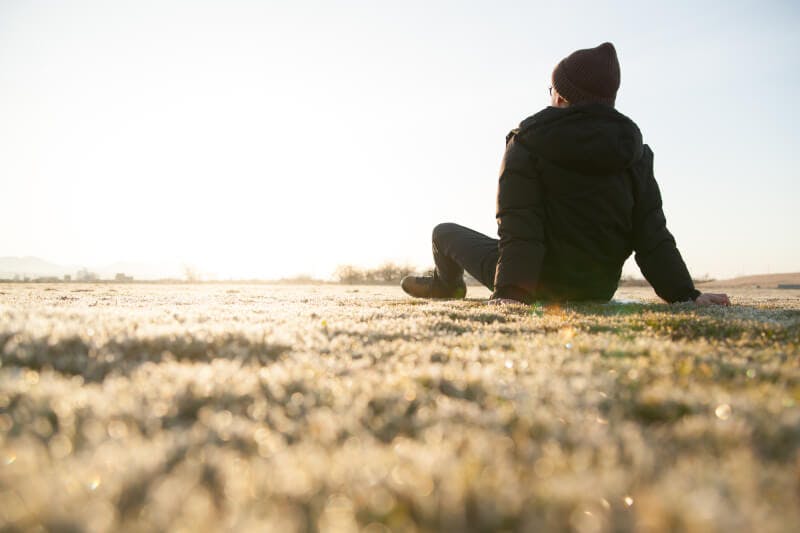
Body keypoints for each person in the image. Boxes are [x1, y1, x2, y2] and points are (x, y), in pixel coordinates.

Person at [401, 42, 730, 307]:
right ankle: (452, 285)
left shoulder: (527, 142)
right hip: (597, 288)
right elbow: (652, 235)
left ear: (560, 95)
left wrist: (511, 293)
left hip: (536, 284)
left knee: (442, 232)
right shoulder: (636, 153)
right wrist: (686, 295)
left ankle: (447, 286)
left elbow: (520, 224)